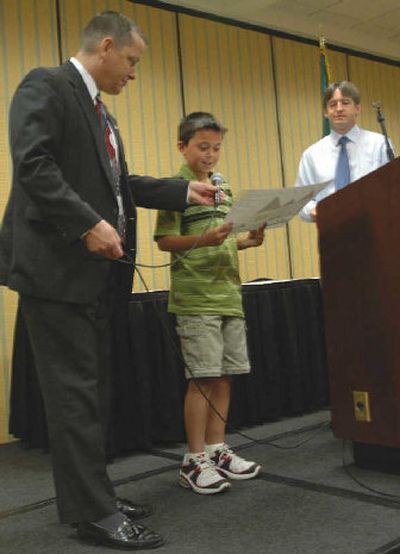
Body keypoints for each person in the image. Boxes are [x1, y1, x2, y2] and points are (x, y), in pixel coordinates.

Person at [0, 11, 221, 551]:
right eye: (132, 61)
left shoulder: (104, 115)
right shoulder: (45, 86)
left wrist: (180, 192)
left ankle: (92, 496)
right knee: (75, 397)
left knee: (92, 394)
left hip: (97, 277)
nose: (134, 73)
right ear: (105, 46)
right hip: (57, 273)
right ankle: (94, 514)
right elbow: (34, 165)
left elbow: (119, 186)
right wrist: (86, 224)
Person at [154, 111, 264, 495]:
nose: (211, 155)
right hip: (196, 296)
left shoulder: (224, 188)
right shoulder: (174, 189)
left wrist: (245, 241)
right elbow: (165, 242)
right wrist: (206, 240)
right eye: (203, 147)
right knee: (201, 378)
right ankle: (194, 458)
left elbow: (222, 239)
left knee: (224, 375)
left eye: (216, 148)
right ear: (183, 147)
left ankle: (217, 449)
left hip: (228, 295)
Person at [296, 81, 393, 222]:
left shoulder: (380, 144)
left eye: (345, 102)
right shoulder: (311, 155)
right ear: (325, 112)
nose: (339, 109)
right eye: (333, 104)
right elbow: (301, 202)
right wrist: (318, 210)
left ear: (358, 109)